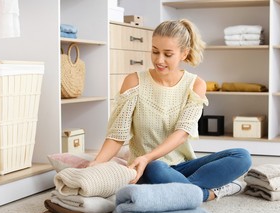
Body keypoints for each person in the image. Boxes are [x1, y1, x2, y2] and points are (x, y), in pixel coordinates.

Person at [91, 19, 252, 202]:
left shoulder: (195, 85)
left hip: (182, 166)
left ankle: (182, 192)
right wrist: (95, 164)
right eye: (155, 51)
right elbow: (117, 135)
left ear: (184, 54)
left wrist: (148, 157)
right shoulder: (134, 81)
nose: (159, 60)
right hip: (147, 169)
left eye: (167, 54)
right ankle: (207, 194)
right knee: (156, 167)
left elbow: (182, 134)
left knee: (242, 156)